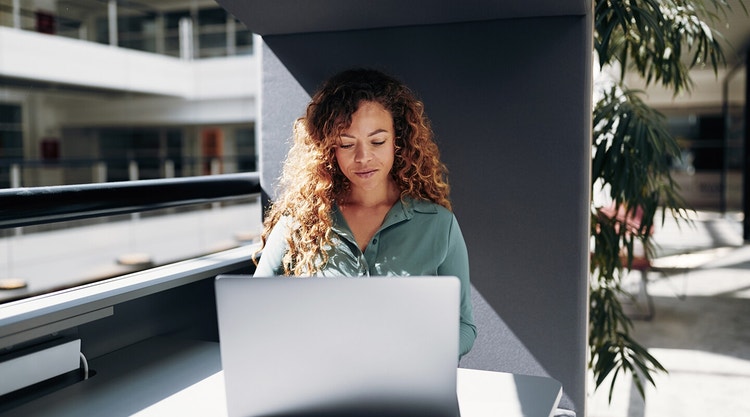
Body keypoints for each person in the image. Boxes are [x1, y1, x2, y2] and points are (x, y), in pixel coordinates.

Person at [253, 68, 476, 358]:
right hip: (319, 382)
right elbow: (254, 314)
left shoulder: (438, 225)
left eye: (378, 141)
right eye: (346, 144)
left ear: (399, 139)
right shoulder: (299, 221)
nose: (363, 157)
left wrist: (424, 357)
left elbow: (463, 325)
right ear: (328, 148)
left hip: (405, 386)